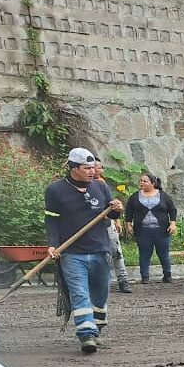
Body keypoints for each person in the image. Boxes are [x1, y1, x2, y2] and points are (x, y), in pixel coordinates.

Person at [45, 147, 123, 354]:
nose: (92, 172)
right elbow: (51, 220)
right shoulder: (55, 191)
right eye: (87, 168)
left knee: (100, 294)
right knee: (79, 293)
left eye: (93, 168)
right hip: (71, 252)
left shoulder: (101, 187)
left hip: (100, 249)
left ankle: (96, 328)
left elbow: (112, 216)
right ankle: (86, 334)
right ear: (73, 168)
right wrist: (52, 244)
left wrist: (117, 209)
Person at [123, 173, 178, 283]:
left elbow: (172, 210)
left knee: (163, 252)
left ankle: (167, 275)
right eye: (141, 181)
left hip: (161, 230)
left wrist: (172, 224)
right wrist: (128, 225)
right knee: (144, 253)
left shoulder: (163, 195)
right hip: (142, 230)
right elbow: (129, 211)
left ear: (153, 183)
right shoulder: (135, 196)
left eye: (145, 181)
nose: (142, 183)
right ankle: (145, 276)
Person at [92, 157, 132, 294]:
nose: (101, 170)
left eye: (101, 167)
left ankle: (123, 280)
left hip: (107, 224)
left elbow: (111, 204)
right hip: (92, 227)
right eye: (98, 167)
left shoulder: (102, 184)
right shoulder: (83, 185)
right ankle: (103, 282)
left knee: (116, 252)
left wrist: (117, 220)